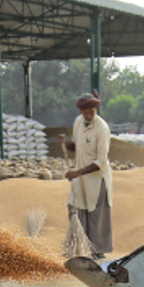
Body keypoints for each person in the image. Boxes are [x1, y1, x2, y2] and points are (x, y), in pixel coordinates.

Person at [58, 92, 113, 258]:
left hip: (97, 180)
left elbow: (101, 162)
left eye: (91, 111)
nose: (88, 115)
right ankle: (79, 249)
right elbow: (78, 148)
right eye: (85, 112)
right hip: (81, 178)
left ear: (96, 108)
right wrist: (66, 144)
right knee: (75, 209)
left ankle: (98, 253)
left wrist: (77, 173)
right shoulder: (78, 123)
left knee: (96, 217)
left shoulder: (102, 128)